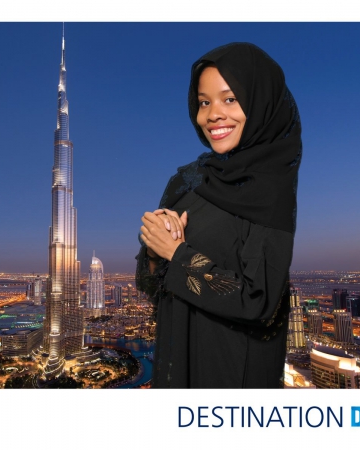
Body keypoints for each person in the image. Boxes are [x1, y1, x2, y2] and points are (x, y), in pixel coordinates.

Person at [136, 42, 302, 388]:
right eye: (204, 102)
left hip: (232, 371)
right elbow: (152, 288)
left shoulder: (270, 192)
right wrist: (154, 251)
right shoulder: (186, 182)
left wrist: (176, 253)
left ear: (260, 104)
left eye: (230, 99)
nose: (212, 115)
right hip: (177, 359)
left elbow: (260, 302)